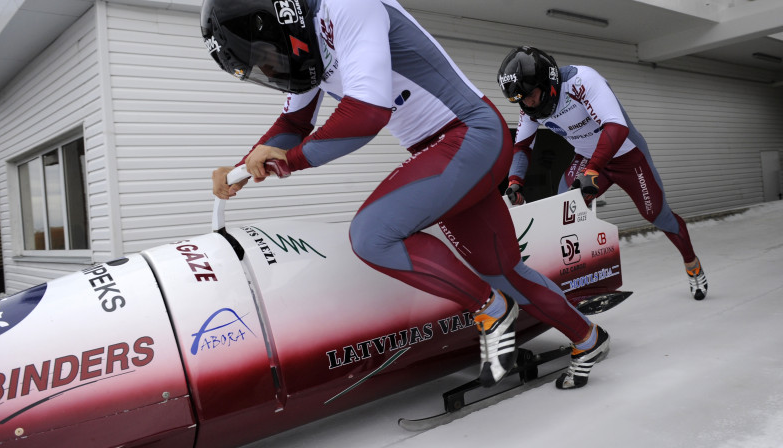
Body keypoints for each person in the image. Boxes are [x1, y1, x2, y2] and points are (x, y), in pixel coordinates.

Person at [202, 0, 608, 389]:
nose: (270, 69)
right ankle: (589, 338)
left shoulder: (347, 6)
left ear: (283, 22)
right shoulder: (308, 52)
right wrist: (242, 168)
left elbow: (366, 114)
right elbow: (293, 119)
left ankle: (492, 310)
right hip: (454, 150)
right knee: (504, 271)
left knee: (372, 233)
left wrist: (287, 160)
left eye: (266, 55)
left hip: (470, 135)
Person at [497, 46, 708, 301]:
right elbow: (521, 146)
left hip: (627, 156)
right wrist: (515, 180)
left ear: (548, 82)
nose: (527, 104)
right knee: (563, 212)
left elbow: (616, 127)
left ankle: (692, 263)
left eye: (530, 96)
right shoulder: (529, 107)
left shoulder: (582, 80)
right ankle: (576, 281)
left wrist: (593, 169)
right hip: (589, 158)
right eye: (520, 99)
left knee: (657, 215)